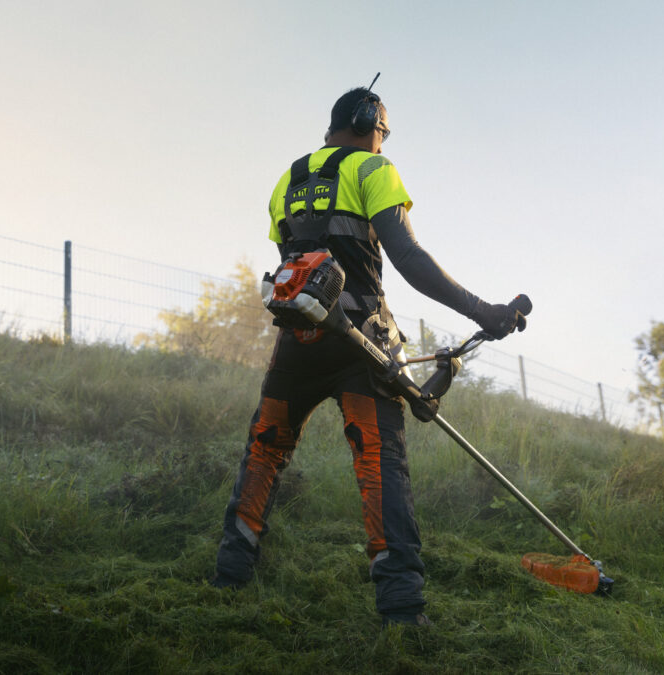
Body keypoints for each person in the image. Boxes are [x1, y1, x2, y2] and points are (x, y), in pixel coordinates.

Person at [210, 83, 526, 626]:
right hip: (361, 344)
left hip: (298, 339)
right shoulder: (373, 170)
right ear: (367, 121)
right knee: (380, 463)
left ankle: (229, 574)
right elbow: (407, 256)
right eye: (383, 132)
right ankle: (402, 608)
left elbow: (295, 259)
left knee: (265, 450)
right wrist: (484, 311)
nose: (383, 142)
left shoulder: (288, 179)